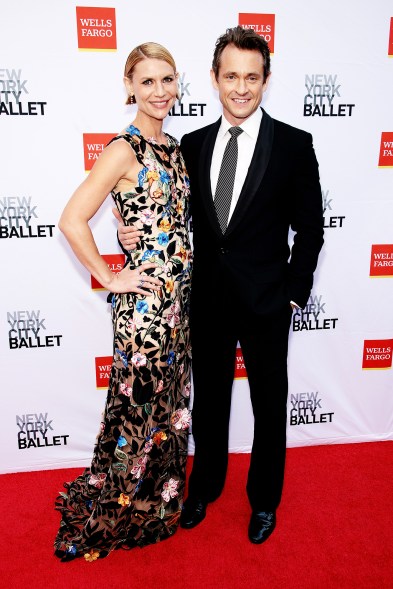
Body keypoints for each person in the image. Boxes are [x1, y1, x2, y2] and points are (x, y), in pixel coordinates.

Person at [117, 26, 324, 545]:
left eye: (252, 77)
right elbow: (168, 210)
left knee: (268, 404)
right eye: (230, 75)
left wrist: (293, 294)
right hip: (205, 300)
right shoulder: (192, 144)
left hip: (267, 302)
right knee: (208, 402)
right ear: (213, 78)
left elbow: (312, 227)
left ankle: (264, 502)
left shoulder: (296, 146)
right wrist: (128, 231)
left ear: (266, 81)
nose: (241, 87)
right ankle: (204, 487)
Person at [54, 42, 192, 561]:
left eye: (168, 80)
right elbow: (71, 220)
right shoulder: (123, 149)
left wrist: (122, 227)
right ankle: (112, 514)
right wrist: (111, 277)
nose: (160, 92)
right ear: (129, 86)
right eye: (148, 81)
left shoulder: (174, 149)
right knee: (138, 409)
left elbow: (161, 220)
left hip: (178, 309)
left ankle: (156, 503)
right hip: (145, 311)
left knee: (168, 409)